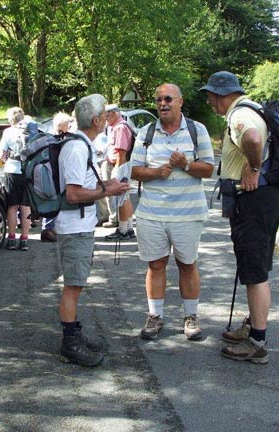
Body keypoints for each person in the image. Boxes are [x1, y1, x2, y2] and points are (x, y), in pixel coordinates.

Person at [200, 71, 279, 364]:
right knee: (255, 265)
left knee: (254, 271)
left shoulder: (240, 117)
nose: (210, 102)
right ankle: (252, 324)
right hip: (265, 198)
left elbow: (251, 138)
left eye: (211, 96)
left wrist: (253, 166)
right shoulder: (253, 108)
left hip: (253, 199)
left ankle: (257, 342)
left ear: (223, 94)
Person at [130, 83, 215, 342]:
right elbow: (133, 170)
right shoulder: (146, 132)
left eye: (168, 99)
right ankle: (155, 316)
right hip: (152, 213)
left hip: (188, 214)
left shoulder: (196, 130)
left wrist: (186, 164)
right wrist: (156, 173)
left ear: (180, 101)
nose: (162, 104)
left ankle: (190, 318)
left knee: (187, 264)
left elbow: (209, 169)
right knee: (155, 265)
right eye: (158, 100)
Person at [56, 94, 130, 367]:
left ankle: (73, 334)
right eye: (103, 116)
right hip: (74, 226)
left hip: (78, 225)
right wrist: (109, 188)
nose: (106, 120)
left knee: (75, 285)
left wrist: (108, 185)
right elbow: (74, 194)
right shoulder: (76, 148)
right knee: (73, 287)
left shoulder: (80, 144)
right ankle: (69, 344)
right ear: (97, 120)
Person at [103, 104, 136, 241]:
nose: (105, 118)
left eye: (106, 115)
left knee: (122, 198)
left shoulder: (121, 127)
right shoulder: (118, 126)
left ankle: (123, 230)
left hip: (119, 166)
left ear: (114, 113)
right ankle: (127, 228)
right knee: (125, 198)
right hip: (120, 165)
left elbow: (121, 152)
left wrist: (118, 170)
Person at [0, 107, 31, 251]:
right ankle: (24, 239)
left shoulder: (8, 132)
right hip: (27, 171)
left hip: (12, 170)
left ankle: (11, 238)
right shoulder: (30, 130)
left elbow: (2, 154)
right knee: (25, 207)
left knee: (12, 206)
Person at [41, 112, 73, 243]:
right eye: (67, 126)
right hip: (53, 175)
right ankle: (49, 229)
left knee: (51, 199)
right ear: (61, 126)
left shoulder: (47, 137)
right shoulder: (55, 139)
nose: (69, 128)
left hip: (49, 175)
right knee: (54, 199)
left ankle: (48, 228)